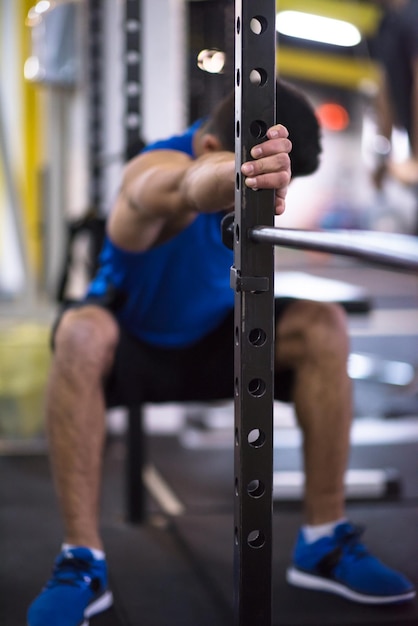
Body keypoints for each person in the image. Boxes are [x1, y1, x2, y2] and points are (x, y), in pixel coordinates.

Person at [27, 80, 415, 626]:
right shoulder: (155, 167)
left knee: (323, 324)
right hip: (132, 346)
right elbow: (184, 187)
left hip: (216, 339)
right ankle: (80, 560)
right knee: (78, 333)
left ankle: (324, 542)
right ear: (215, 147)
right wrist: (237, 175)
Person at [369, 0, 418, 230]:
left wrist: (417, 160)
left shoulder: (414, 14)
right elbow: (385, 92)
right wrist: (382, 154)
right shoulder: (388, 24)